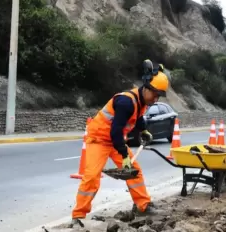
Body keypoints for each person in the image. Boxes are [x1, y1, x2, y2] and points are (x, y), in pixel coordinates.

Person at [70, 60, 169, 227]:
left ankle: (142, 205)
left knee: (134, 172)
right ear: (146, 88)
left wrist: (143, 130)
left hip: (114, 140)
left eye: (159, 95)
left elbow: (138, 118)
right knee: (92, 177)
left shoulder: (142, 102)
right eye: (155, 94)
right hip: (99, 139)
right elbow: (115, 132)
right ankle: (78, 216)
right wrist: (124, 156)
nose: (156, 98)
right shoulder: (126, 102)